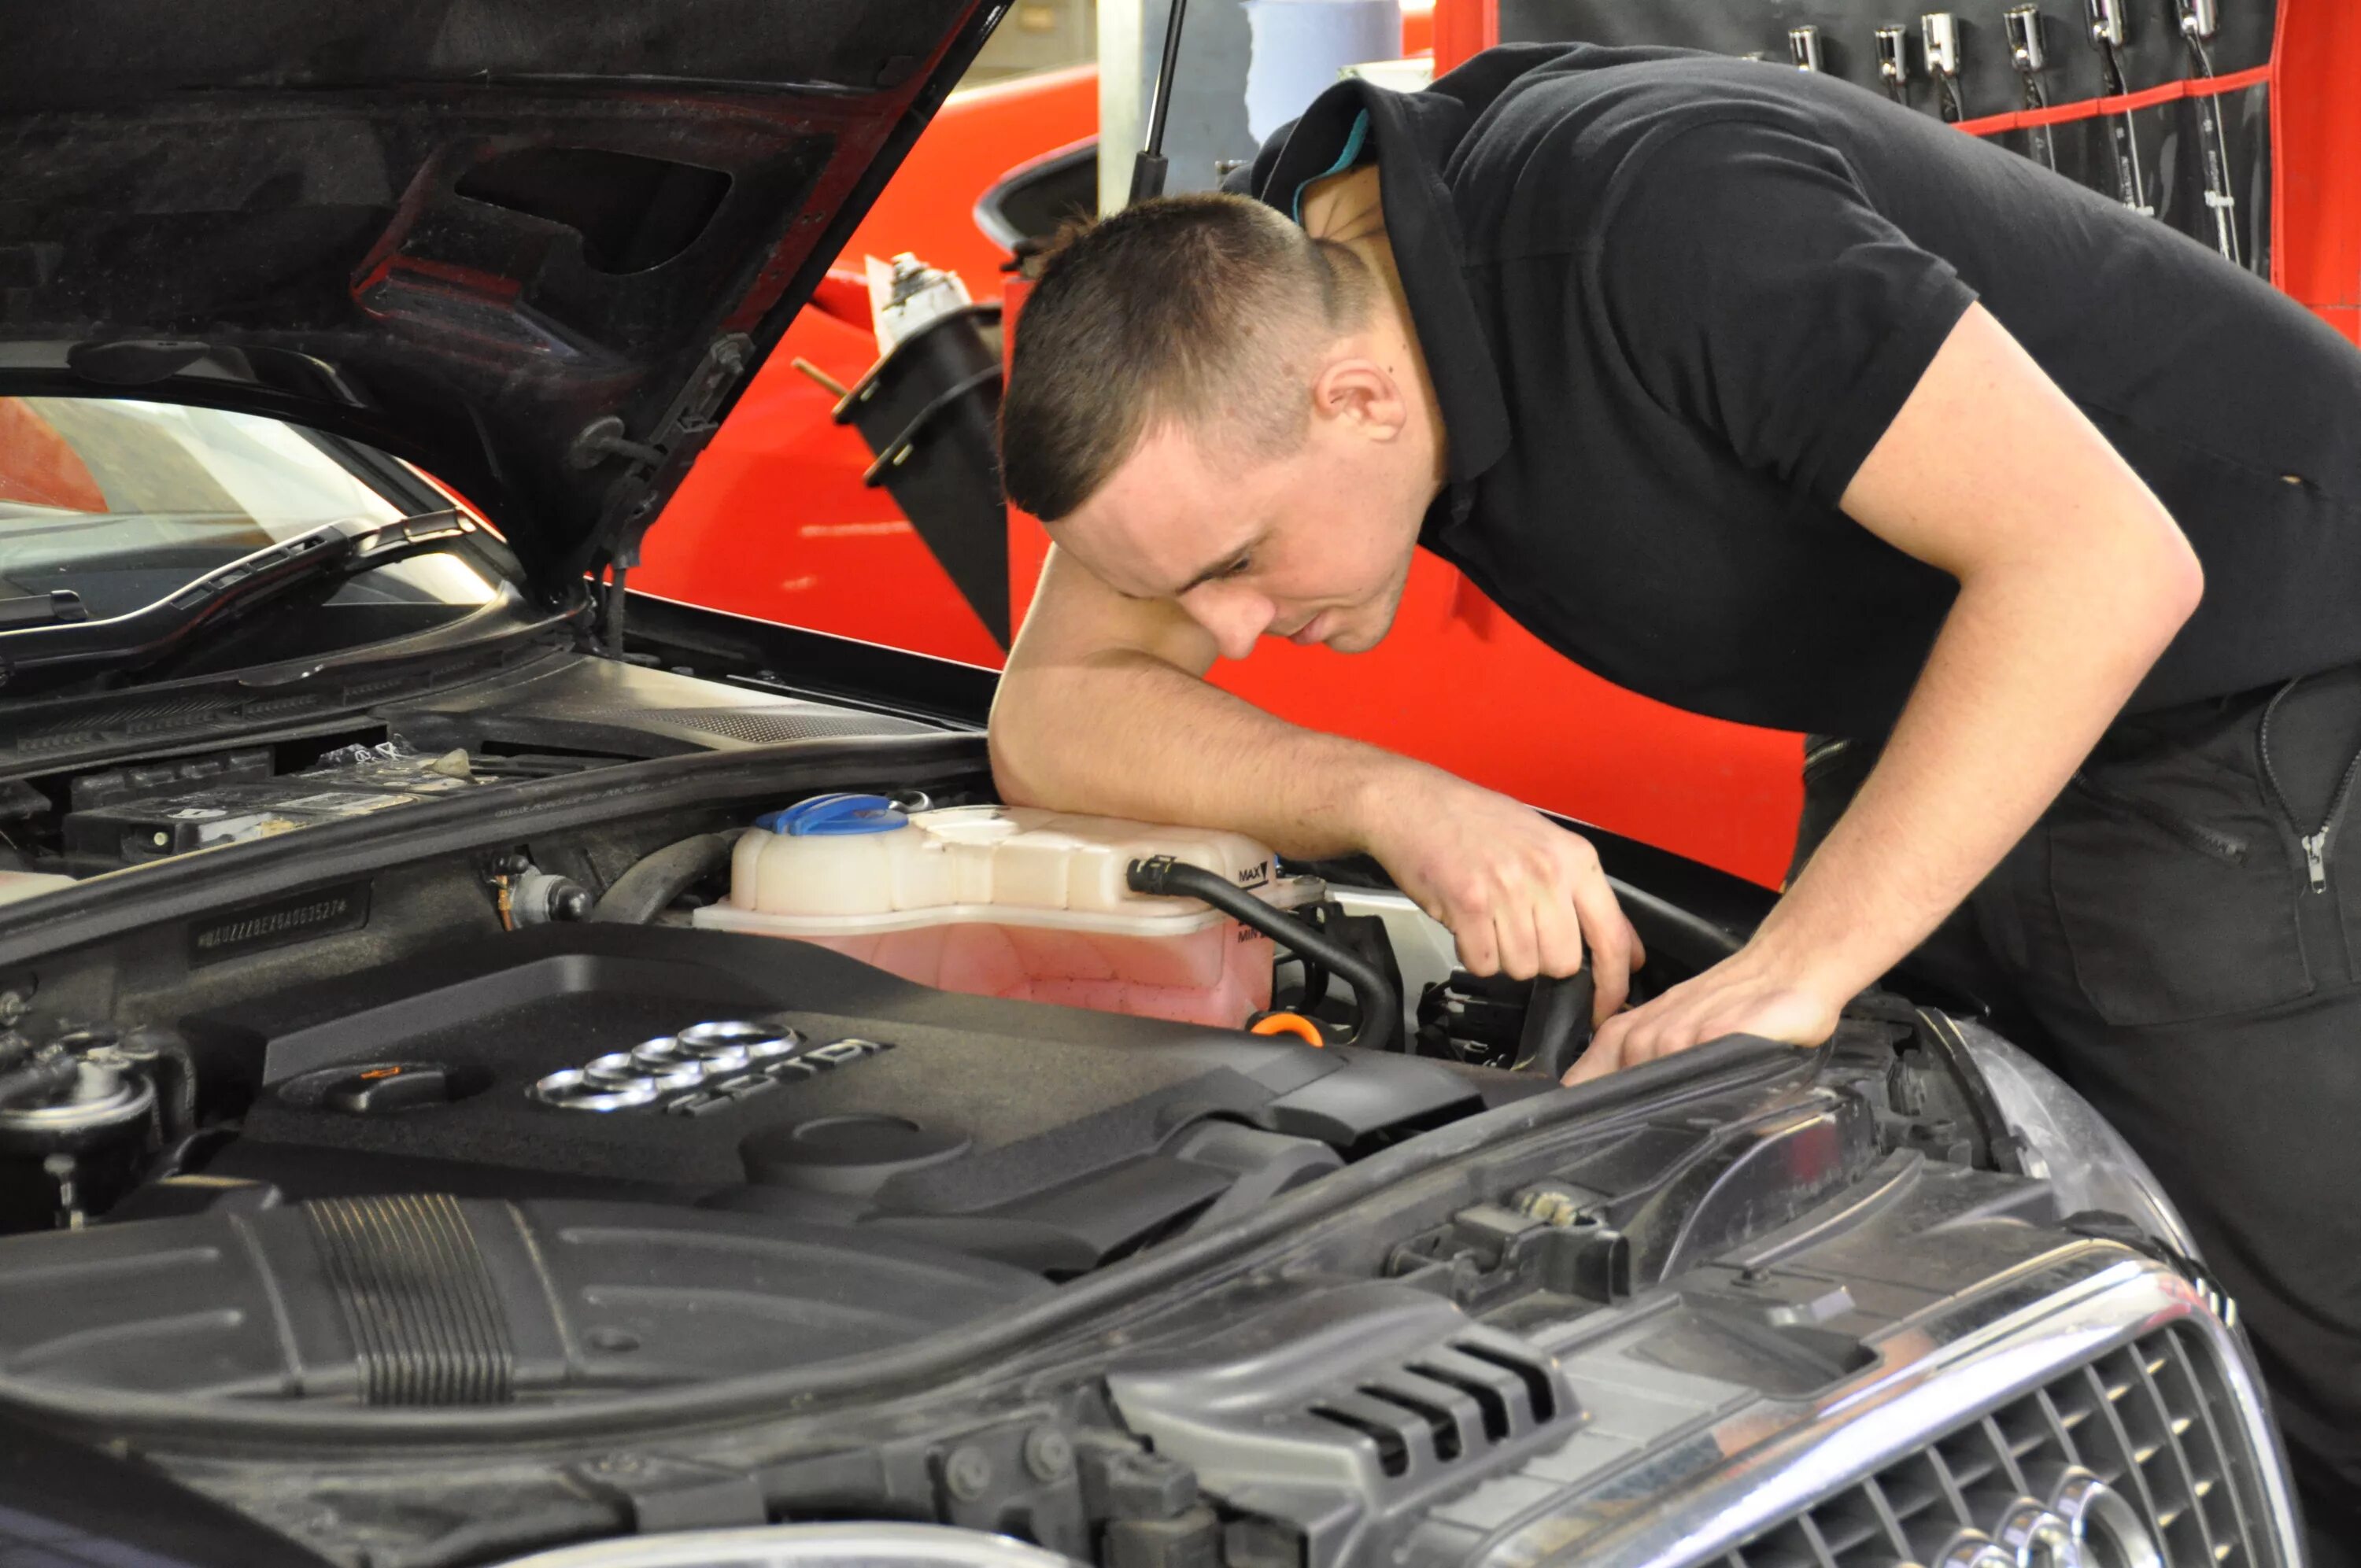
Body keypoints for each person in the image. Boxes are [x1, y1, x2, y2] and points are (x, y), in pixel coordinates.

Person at [985, 42, 2361, 1549]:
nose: (1228, 635)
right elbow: (1052, 711)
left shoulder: (1665, 220)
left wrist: (1801, 964)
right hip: (1950, 687)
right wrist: (1394, 798)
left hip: (2249, 702)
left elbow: (2106, 565)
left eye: (1237, 564)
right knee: (1930, 1297)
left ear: (1362, 396)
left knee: (2303, 1370)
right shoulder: (1231, 318)